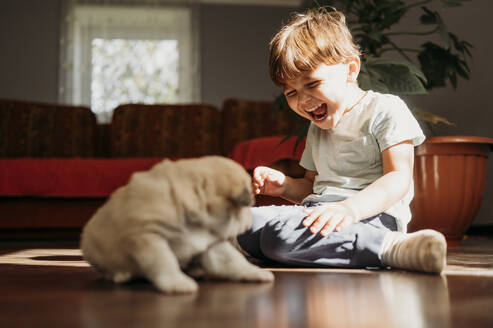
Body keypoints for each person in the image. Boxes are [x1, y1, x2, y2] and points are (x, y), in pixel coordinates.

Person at [236, 8, 447, 273]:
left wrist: (350, 209)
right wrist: (285, 186)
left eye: (312, 84)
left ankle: (392, 248)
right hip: (318, 212)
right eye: (291, 93)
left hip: (370, 218)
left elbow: (398, 179)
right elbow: (312, 187)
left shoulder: (385, 109)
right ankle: (285, 248)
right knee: (241, 221)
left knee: (279, 238)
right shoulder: (317, 128)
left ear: (350, 70)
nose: (303, 101)